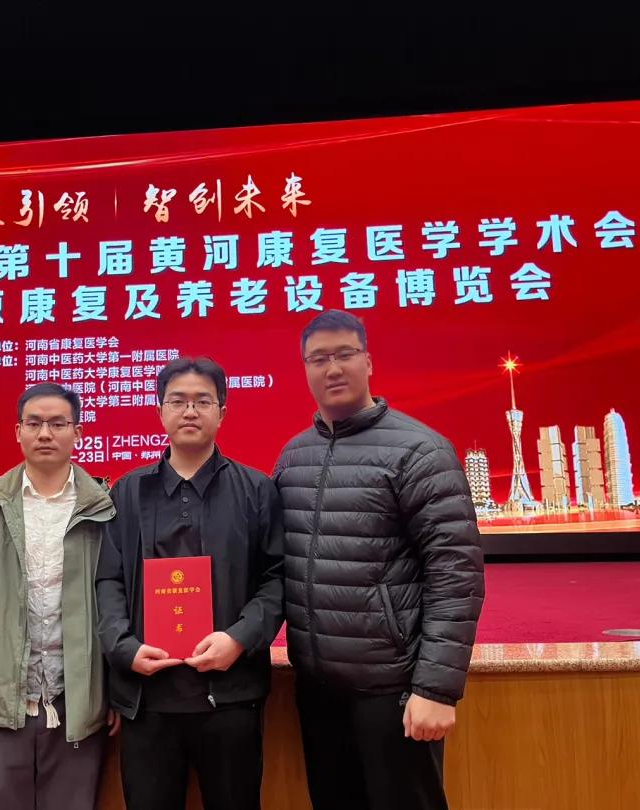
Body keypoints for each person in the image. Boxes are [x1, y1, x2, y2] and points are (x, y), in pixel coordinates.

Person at [273, 310, 485, 810]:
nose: (333, 368)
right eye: (319, 359)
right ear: (305, 369)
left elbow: (455, 574)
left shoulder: (420, 451)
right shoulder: (293, 458)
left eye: (344, 354)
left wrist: (435, 689)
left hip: (394, 689)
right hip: (318, 689)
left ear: (368, 362)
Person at [96, 356, 285, 810]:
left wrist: (239, 639)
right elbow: (107, 580)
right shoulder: (128, 491)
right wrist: (124, 648)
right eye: (178, 401)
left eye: (203, 401)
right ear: (159, 411)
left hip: (231, 695)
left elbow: (276, 579)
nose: (190, 411)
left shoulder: (256, 490)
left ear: (223, 412)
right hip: (147, 699)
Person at [0, 383, 119, 810]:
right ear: (17, 432)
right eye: (34, 423)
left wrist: (115, 693)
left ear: (77, 433)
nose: (45, 433)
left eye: (58, 424)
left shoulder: (105, 509)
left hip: (77, 703)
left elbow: (119, 608)